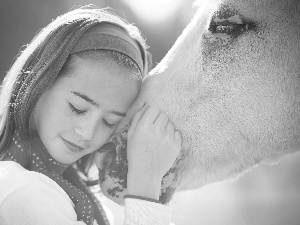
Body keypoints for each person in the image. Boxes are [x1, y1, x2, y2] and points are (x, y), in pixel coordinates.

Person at [0, 5, 181, 225]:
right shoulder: (20, 190)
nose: (87, 133)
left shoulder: (71, 191)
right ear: (39, 82)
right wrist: (145, 186)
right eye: (77, 108)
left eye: (109, 122)